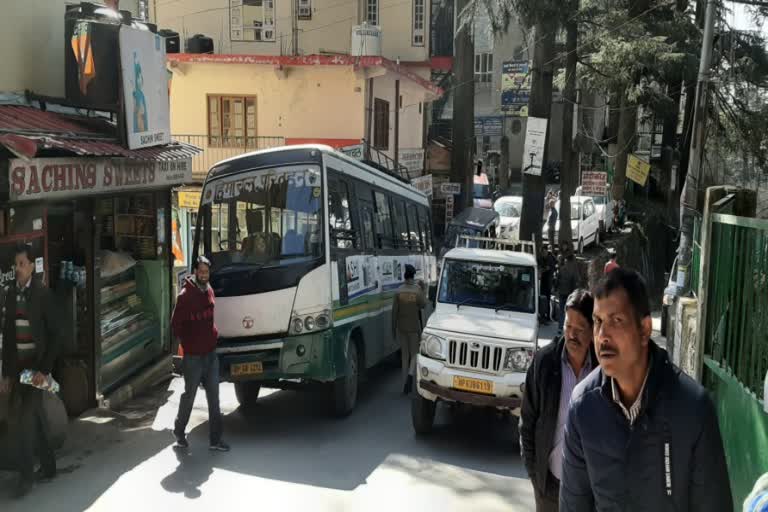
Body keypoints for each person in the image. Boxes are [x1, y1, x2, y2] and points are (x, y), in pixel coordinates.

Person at [560, 268, 732, 511]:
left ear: (644, 330)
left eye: (616, 321)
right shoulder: (583, 407)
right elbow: (573, 505)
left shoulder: (693, 408)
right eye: (598, 321)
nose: (603, 335)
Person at [521, 289, 597, 512]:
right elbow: (527, 422)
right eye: (568, 326)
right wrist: (535, 475)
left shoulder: (603, 370)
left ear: (593, 331)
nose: (571, 335)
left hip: (588, 490)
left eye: (580, 329)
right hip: (549, 486)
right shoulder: (544, 363)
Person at [0, 244, 59, 498]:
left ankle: (26, 478)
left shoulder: (42, 294)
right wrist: (5, 373)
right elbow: (8, 334)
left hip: (36, 368)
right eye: (16, 264)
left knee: (24, 420)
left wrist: (44, 371)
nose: (18, 268)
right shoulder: (11, 294)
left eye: (22, 264)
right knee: (32, 417)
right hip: (18, 367)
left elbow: (56, 335)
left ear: (32, 266)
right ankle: (49, 466)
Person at [172, 256, 229, 452]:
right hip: (194, 357)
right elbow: (175, 326)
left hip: (211, 355)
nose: (205, 275)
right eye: (202, 272)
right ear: (195, 271)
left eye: (207, 272)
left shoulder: (209, 289)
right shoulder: (185, 296)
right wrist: (188, 344)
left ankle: (215, 440)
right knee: (190, 395)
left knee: (214, 398)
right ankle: (179, 432)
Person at [392, 264, 426, 394]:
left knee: (404, 356)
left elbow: (394, 313)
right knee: (414, 354)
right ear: (413, 276)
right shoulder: (417, 291)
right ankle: (410, 377)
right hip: (414, 328)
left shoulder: (398, 291)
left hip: (401, 328)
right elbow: (423, 305)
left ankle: (403, 384)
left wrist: (393, 329)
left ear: (405, 276)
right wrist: (424, 289)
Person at [556, 249, 580, 334]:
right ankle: (564, 327)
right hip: (568, 293)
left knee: (561, 310)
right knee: (567, 311)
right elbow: (575, 282)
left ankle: (560, 328)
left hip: (562, 292)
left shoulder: (562, 269)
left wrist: (556, 288)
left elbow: (557, 280)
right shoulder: (573, 270)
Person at [540, 246, 558, 323]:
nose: (543, 254)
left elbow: (547, 268)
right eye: (542, 253)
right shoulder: (545, 258)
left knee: (546, 300)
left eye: (544, 252)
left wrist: (541, 270)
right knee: (543, 299)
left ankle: (546, 316)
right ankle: (543, 315)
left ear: (546, 251)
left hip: (548, 282)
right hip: (545, 281)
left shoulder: (550, 259)